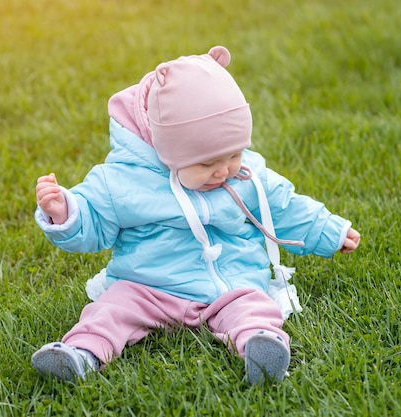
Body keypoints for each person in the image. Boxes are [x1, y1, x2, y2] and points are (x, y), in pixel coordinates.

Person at [31, 46, 360, 385]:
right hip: (149, 285)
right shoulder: (123, 180)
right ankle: (81, 354)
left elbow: (282, 205)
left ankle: (261, 346)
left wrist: (326, 230)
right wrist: (65, 213)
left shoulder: (244, 173)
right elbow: (93, 220)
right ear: (165, 150)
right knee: (112, 310)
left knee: (252, 305)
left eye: (233, 154)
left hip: (231, 281)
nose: (222, 171)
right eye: (206, 163)